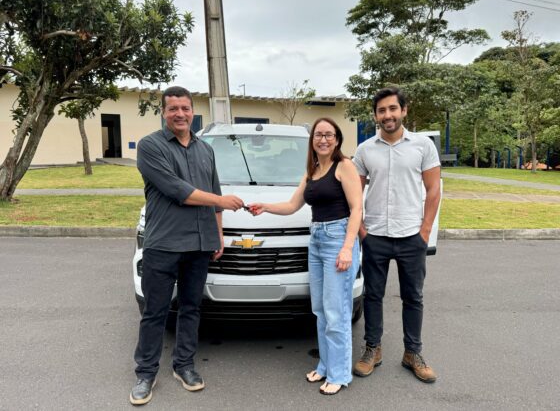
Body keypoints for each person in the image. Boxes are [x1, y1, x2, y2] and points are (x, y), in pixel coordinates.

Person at [130, 86, 244, 405]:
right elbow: (179, 190)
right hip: (163, 244)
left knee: (191, 308)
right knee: (155, 311)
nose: (180, 114)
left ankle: (184, 365)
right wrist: (220, 200)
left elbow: (214, 193)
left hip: (199, 244)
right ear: (164, 113)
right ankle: (145, 373)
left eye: (185, 108)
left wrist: (218, 234)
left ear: (193, 111)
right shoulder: (150, 147)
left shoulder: (205, 149)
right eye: (173, 109)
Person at [249, 117, 362, 395]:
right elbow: (291, 205)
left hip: (338, 239)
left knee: (337, 312)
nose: (323, 139)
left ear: (337, 139)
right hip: (317, 240)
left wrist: (347, 247)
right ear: (313, 140)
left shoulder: (344, 166)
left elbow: (357, 208)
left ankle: (339, 373)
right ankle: (325, 366)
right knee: (321, 310)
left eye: (329, 134)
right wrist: (265, 207)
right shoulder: (311, 170)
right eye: (318, 135)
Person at [352, 87, 441, 383]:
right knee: (373, 295)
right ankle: (372, 349)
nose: (387, 115)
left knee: (413, 297)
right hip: (375, 235)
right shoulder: (365, 150)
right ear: (375, 115)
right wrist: (363, 231)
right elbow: (355, 193)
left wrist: (425, 230)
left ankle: (412, 353)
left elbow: (433, 189)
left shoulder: (423, 146)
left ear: (404, 110)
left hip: (411, 235)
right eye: (381, 110)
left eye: (392, 108)